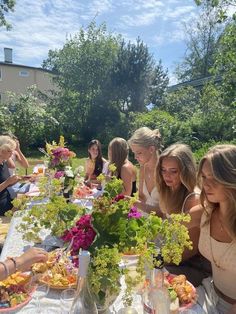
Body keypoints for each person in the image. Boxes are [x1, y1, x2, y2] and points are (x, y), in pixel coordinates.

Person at [189, 144, 236, 314]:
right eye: (203, 177)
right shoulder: (205, 212)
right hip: (208, 294)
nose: (206, 185)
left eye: (214, 177)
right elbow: (171, 225)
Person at [156, 143, 211, 286]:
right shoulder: (171, 189)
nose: (167, 175)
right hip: (172, 254)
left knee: (151, 275)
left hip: (192, 265)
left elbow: (189, 251)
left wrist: (158, 258)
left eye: (173, 171)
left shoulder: (193, 198)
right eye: (163, 170)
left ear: (186, 171)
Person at [128, 127, 162, 215]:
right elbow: (141, 197)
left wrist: (136, 203)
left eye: (139, 153)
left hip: (161, 224)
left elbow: (166, 213)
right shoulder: (143, 167)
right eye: (134, 153)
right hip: (144, 218)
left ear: (151, 149)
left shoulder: (164, 170)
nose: (135, 157)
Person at [0, 135, 20, 215]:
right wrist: (8, 182)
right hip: (2, 208)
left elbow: (6, 184)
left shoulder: (3, 163)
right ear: (1, 150)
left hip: (8, 202)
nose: (12, 153)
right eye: (9, 151)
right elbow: (6, 183)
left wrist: (19, 179)